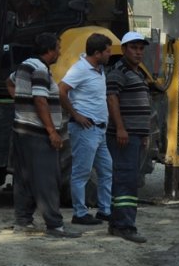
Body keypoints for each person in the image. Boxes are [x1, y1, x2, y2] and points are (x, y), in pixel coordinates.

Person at [8, 32, 79, 238]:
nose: (59, 51)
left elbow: (9, 82)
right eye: (57, 47)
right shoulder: (39, 70)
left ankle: (23, 221)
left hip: (22, 130)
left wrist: (21, 103)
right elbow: (40, 100)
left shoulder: (25, 65)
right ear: (49, 50)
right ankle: (55, 226)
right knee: (47, 179)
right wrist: (51, 131)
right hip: (38, 133)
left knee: (23, 178)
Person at [59, 33, 114, 226]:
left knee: (106, 170)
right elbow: (61, 89)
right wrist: (76, 115)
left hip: (99, 130)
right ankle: (79, 213)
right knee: (81, 173)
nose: (110, 54)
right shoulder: (80, 69)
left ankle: (105, 210)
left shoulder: (99, 69)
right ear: (97, 53)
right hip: (85, 129)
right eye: (108, 51)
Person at [106, 32, 152, 244]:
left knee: (126, 179)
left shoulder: (138, 73)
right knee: (126, 180)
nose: (138, 52)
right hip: (124, 137)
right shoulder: (119, 72)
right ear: (123, 49)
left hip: (135, 136)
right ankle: (126, 226)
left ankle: (117, 224)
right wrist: (121, 128)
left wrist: (144, 134)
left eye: (141, 48)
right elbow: (112, 99)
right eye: (133, 48)